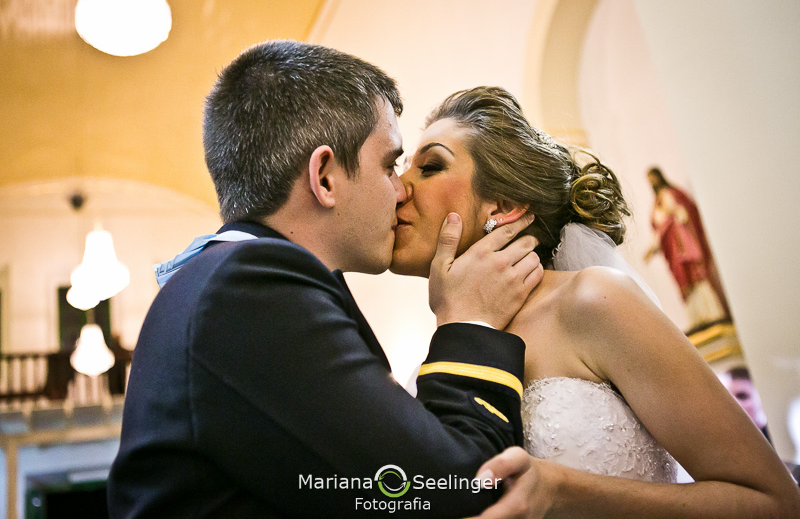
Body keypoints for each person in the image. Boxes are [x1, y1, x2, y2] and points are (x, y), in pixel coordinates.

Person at [107, 43, 545, 517]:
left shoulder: (229, 280)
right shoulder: (250, 292)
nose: (401, 190)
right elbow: (458, 489)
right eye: (389, 165)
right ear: (325, 178)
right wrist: (469, 323)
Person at [390, 86, 800, 517]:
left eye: (429, 167)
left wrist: (563, 491)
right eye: (400, 169)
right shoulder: (434, 368)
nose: (399, 188)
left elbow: (775, 502)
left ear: (504, 206)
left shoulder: (592, 301)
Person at [643, 166, 731, 331]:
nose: (652, 182)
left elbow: (685, 213)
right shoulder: (655, 204)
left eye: (653, 178)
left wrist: (676, 217)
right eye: (649, 181)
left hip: (684, 244)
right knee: (683, 281)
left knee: (696, 276)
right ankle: (697, 318)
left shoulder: (674, 194)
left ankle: (711, 314)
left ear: (660, 177)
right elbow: (657, 229)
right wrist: (653, 248)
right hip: (672, 250)